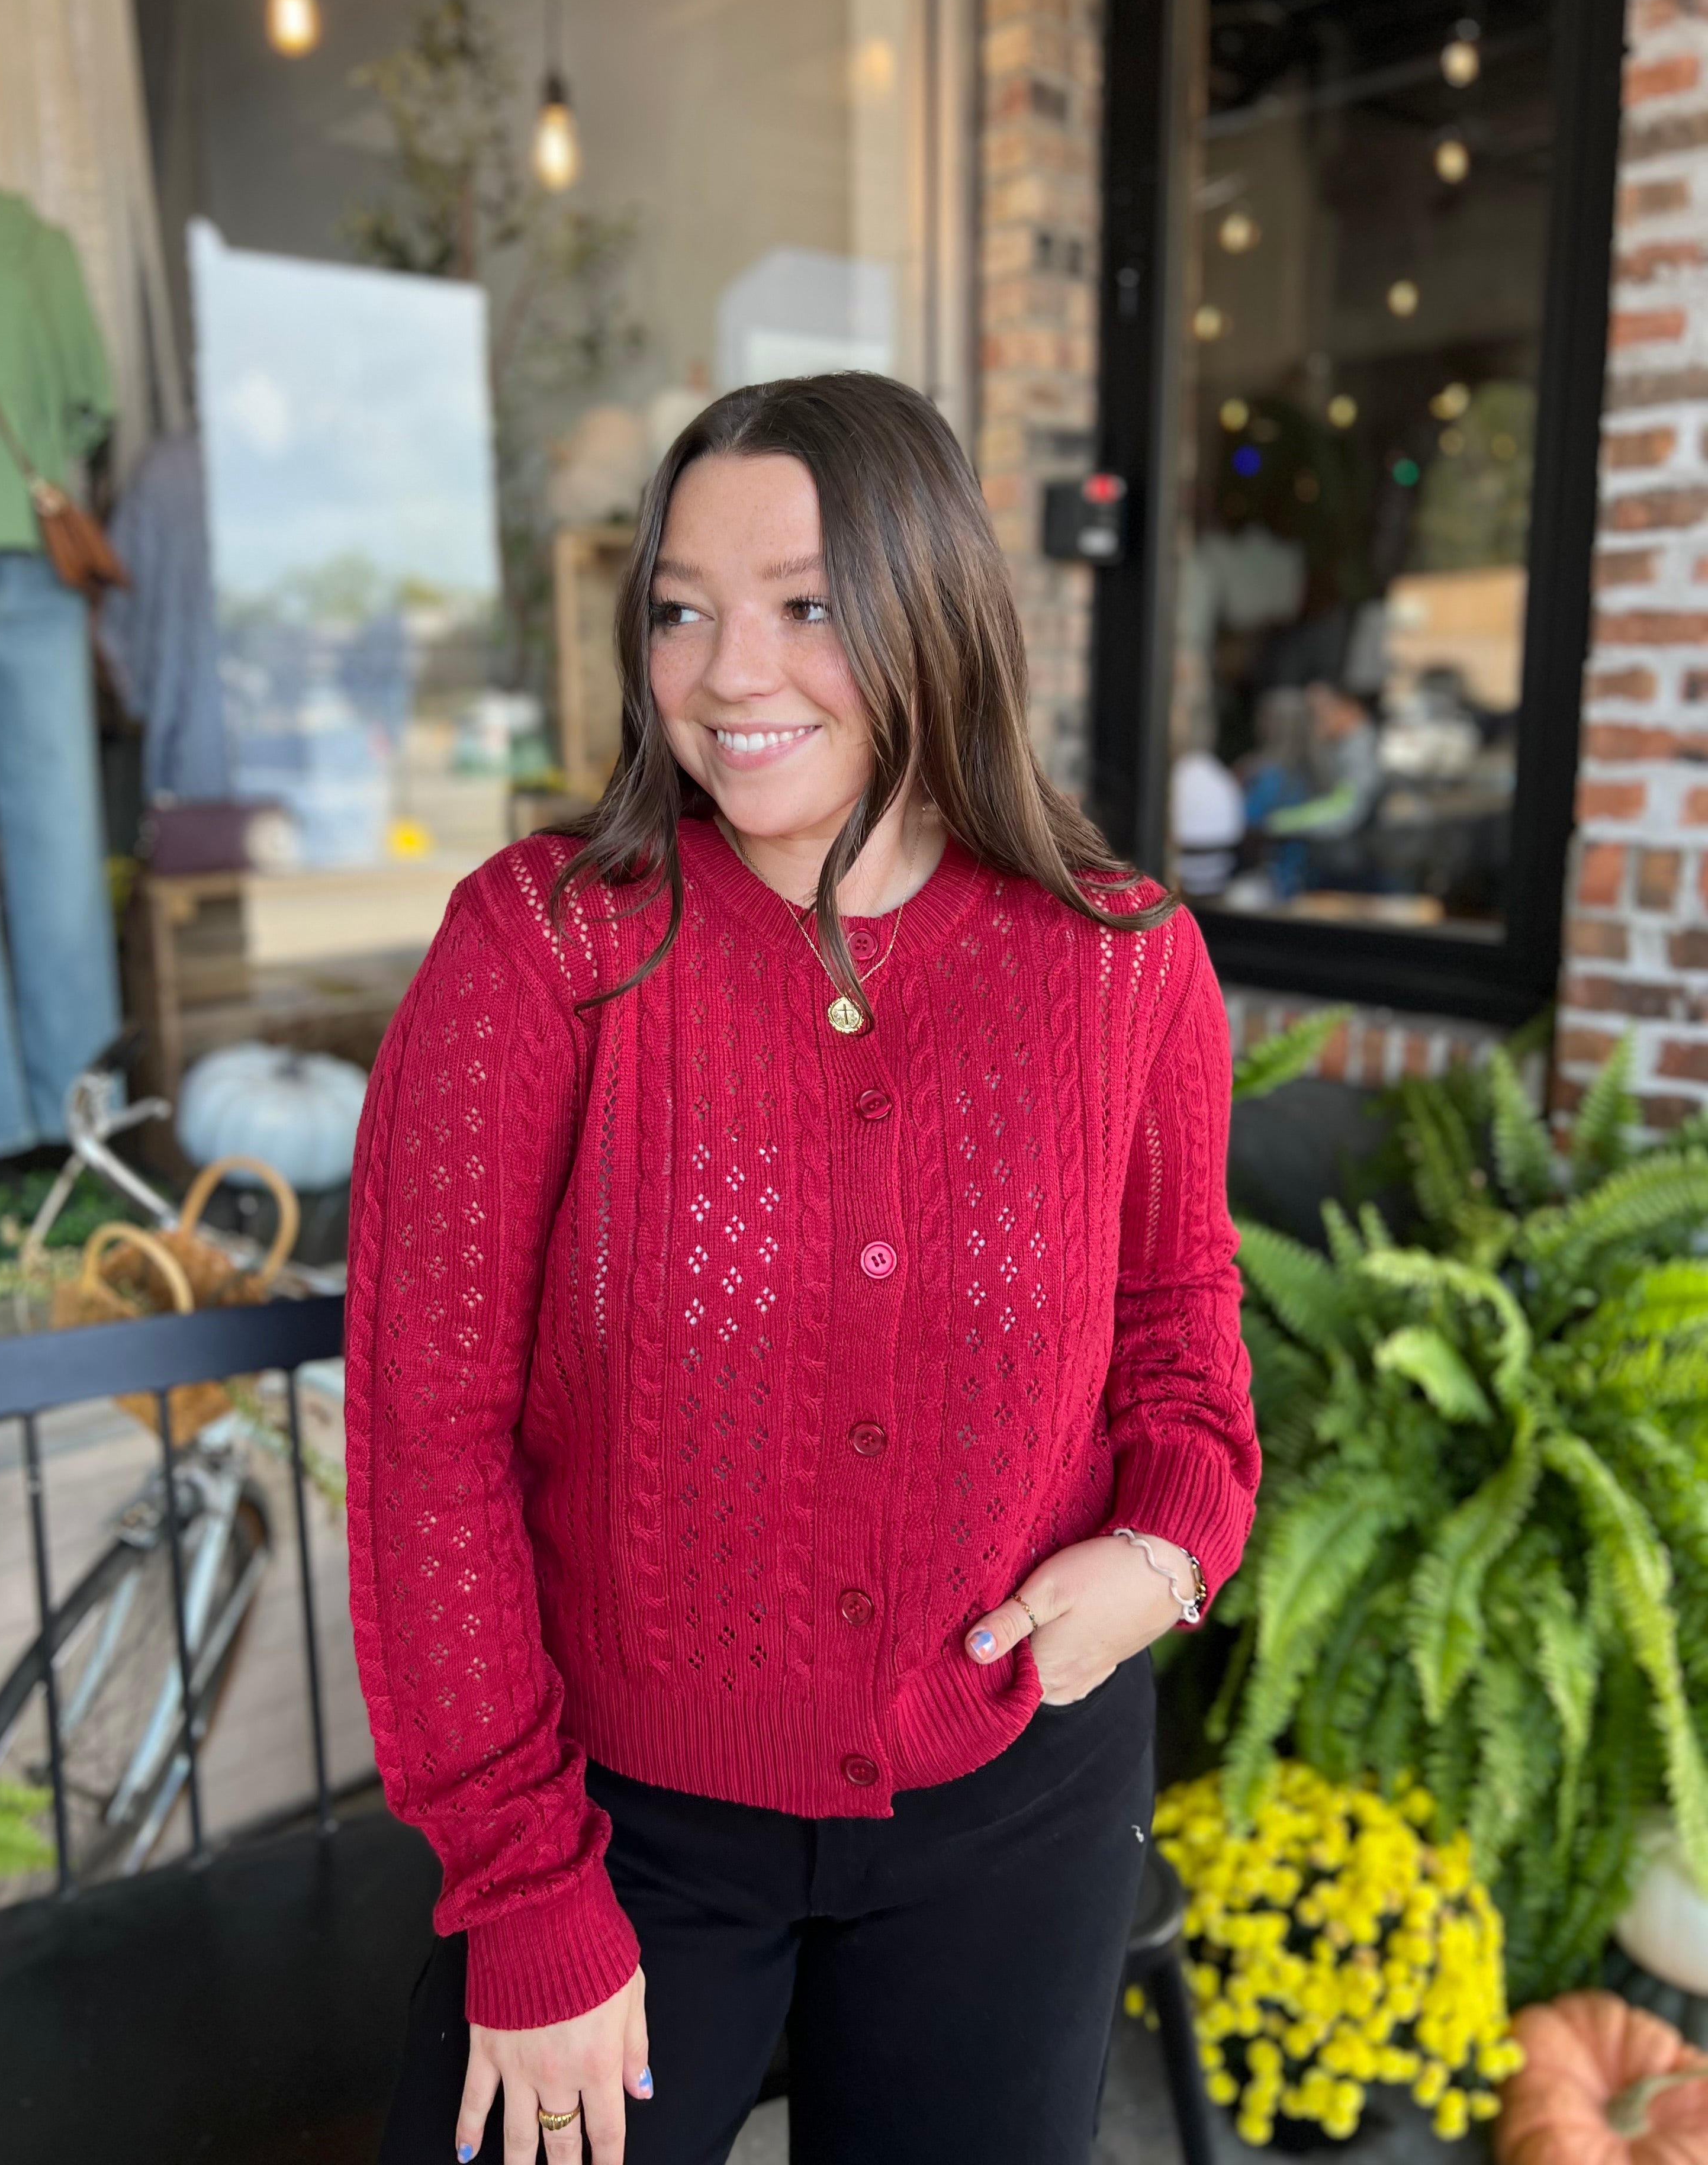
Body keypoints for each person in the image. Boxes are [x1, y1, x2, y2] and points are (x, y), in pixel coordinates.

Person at [350, 372, 1259, 2165]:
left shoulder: (1119, 964)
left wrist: (1173, 1547)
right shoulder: (547, 949)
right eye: (682, 610)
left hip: (1020, 1795)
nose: (726, 673)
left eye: (806, 606)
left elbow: (1178, 1322)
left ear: (935, 611)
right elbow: (423, 1437)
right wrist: (523, 1887)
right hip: (620, 1829)